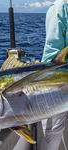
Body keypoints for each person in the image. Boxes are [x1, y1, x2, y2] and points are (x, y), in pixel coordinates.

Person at [40, 0, 68, 149]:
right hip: (58, 85)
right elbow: (52, 56)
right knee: (52, 134)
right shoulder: (61, 8)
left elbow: (51, 53)